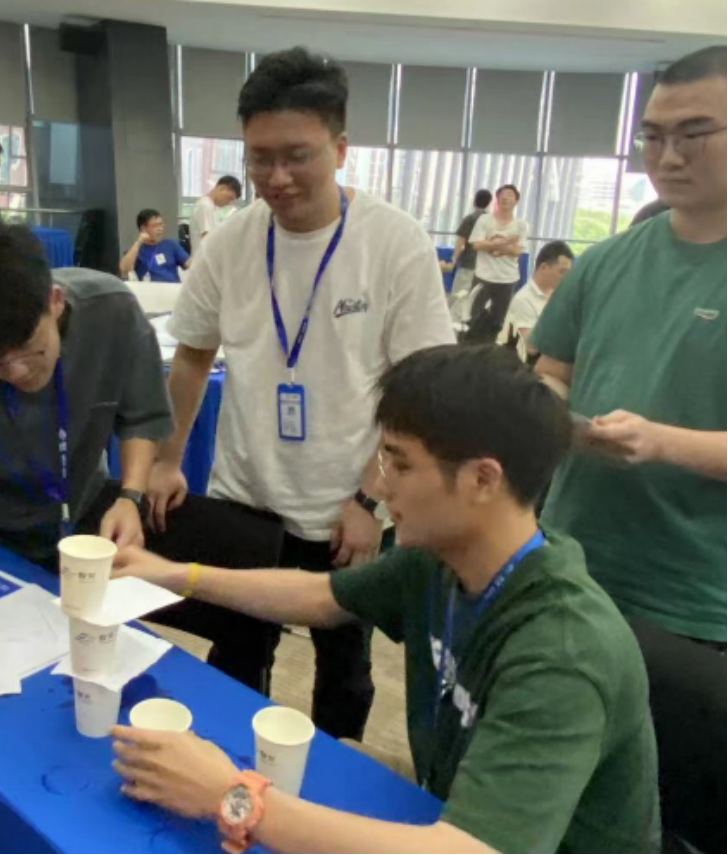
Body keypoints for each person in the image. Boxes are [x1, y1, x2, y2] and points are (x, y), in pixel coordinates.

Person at [112, 345, 660, 855]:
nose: (383, 485)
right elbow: (322, 596)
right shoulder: (444, 557)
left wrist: (232, 798)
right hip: (444, 802)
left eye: (400, 464)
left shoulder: (561, 651)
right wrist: (176, 575)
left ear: (483, 480)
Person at [148, 47, 454, 740]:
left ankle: (328, 784)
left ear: (339, 149)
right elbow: (192, 356)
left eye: (297, 156)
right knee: (237, 651)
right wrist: (167, 460)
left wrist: (369, 500)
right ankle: (224, 765)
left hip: (344, 505)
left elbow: (420, 391)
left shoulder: (395, 242)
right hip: (244, 496)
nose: (276, 178)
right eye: (260, 158)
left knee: (343, 665)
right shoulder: (232, 242)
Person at [0, 222, 269, 712]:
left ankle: (241, 710)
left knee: (246, 570)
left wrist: (131, 496)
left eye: (29, 351)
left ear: (55, 301)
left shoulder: (110, 311)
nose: (16, 374)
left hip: (88, 508)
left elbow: (141, 414)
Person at [532, 45, 726, 649]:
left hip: (695, 601)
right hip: (570, 565)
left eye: (694, 135)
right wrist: (554, 414)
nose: (668, 156)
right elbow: (553, 370)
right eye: (653, 137)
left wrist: (660, 442)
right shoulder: (606, 260)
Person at [462, 184, 528, 343]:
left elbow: (517, 251)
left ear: (516, 201)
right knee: (472, 318)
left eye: (510, 195)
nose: (505, 198)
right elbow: (477, 245)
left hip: (507, 279)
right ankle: (469, 349)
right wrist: (506, 242)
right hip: (483, 276)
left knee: (498, 322)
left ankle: (489, 350)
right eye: (502, 195)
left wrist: (492, 245)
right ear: (497, 199)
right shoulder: (485, 220)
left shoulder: (521, 225)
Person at [499, 240, 573, 362]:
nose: (566, 278)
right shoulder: (524, 299)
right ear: (544, 267)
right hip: (532, 363)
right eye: (562, 272)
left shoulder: (560, 295)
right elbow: (530, 348)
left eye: (568, 273)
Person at [444, 188, 492, 320]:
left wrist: (454, 259)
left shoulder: (470, 219)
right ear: (489, 203)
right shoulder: (491, 221)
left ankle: (454, 322)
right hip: (485, 266)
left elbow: (461, 241)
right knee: (477, 297)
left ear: (474, 201)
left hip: (468, 263)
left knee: (459, 294)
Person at [119, 209, 190, 282]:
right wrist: (139, 242)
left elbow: (190, 264)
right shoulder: (137, 249)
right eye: (155, 226)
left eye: (161, 225)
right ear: (143, 228)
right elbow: (124, 269)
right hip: (149, 287)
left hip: (172, 286)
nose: (160, 229)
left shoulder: (171, 245)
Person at [189, 175, 242, 254]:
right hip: (204, 258)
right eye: (230, 198)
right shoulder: (205, 206)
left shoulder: (212, 207)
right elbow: (208, 238)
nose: (229, 203)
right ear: (222, 188)